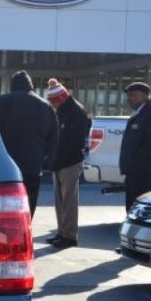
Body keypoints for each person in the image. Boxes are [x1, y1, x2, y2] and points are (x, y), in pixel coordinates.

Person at [0, 70, 59, 217]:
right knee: (28, 209)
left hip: (4, 166)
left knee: (3, 213)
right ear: (31, 86)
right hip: (32, 167)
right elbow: (53, 139)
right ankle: (24, 234)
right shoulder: (45, 107)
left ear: (12, 85)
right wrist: (44, 159)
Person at [45, 78, 91, 248]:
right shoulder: (62, 110)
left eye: (53, 103)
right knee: (60, 200)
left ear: (60, 99)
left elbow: (73, 142)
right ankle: (62, 232)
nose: (52, 106)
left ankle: (69, 236)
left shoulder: (77, 112)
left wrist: (56, 159)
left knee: (69, 201)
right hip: (59, 161)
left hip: (70, 162)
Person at [119, 82, 151, 212]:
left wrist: (134, 165)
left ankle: (140, 232)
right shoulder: (139, 113)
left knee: (142, 208)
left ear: (144, 96)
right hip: (135, 172)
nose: (129, 98)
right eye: (128, 95)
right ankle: (132, 232)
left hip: (145, 172)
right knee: (132, 207)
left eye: (133, 95)